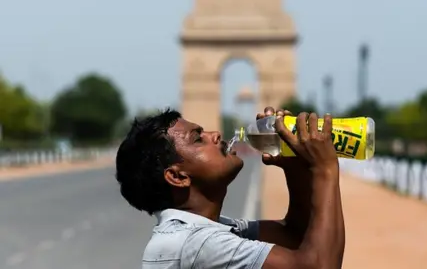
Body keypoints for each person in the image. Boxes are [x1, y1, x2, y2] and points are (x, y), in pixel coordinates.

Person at [115, 107, 345, 269]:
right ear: (177, 176)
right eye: (198, 139)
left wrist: (294, 167)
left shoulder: (207, 231)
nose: (215, 135)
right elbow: (318, 265)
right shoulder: (195, 244)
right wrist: (324, 170)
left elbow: (294, 235)